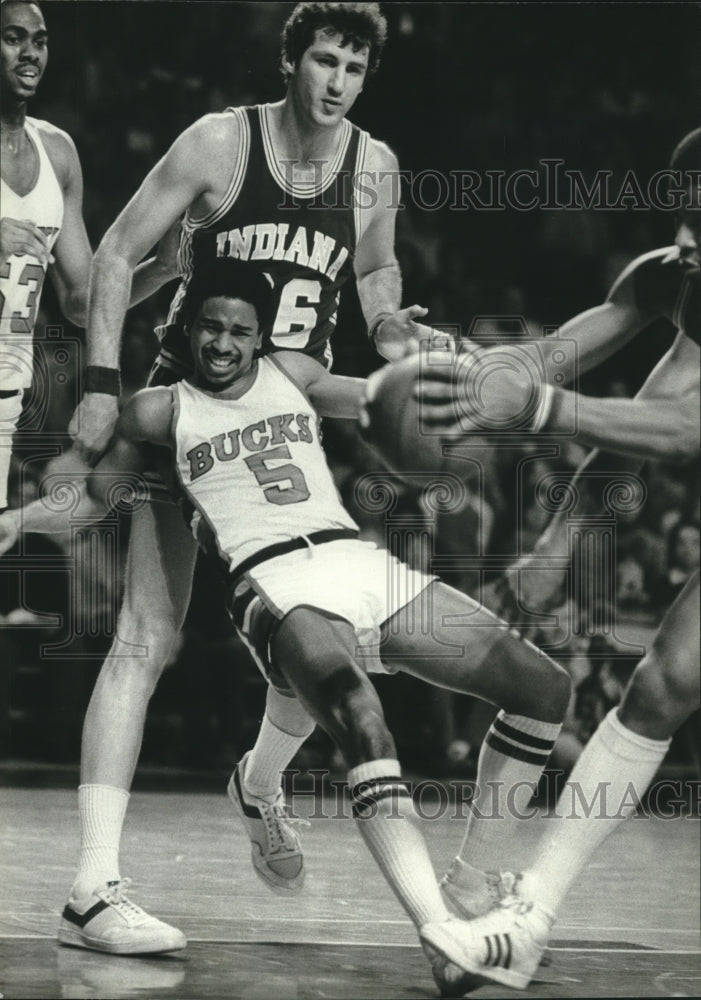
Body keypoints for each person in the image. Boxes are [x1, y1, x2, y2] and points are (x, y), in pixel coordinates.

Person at [0, 257, 571, 967]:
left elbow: (383, 400)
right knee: (362, 719)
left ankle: (469, 881)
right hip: (271, 582)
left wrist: (442, 374)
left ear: (259, 337)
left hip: (354, 560)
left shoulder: (293, 375)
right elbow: (95, 496)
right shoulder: (158, 410)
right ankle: (441, 936)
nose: (222, 343)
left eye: (240, 331)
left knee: (544, 688)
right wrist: (20, 518)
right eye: (210, 327)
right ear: (187, 329)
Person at [58, 1, 444, 954]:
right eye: (323, 61)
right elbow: (113, 254)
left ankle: (258, 781)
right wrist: (103, 385)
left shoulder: (376, 167)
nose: (336, 82)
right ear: (291, 60)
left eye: (353, 68)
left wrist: (405, 343)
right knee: (146, 637)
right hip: (183, 413)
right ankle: (91, 890)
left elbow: (379, 281)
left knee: (325, 642)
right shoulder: (221, 144)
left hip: (282, 428)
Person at [414, 128, 700, 994]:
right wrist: (471, 370)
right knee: (660, 684)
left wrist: (539, 404)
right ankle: (527, 922)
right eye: (684, 212)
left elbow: (686, 431)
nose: (686, 236)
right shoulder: (675, 274)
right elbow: (564, 367)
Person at [0, 0, 181, 512]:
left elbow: (81, 302)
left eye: (40, 40)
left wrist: (162, 269)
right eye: (13, 38)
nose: (29, 53)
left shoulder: (57, 152)